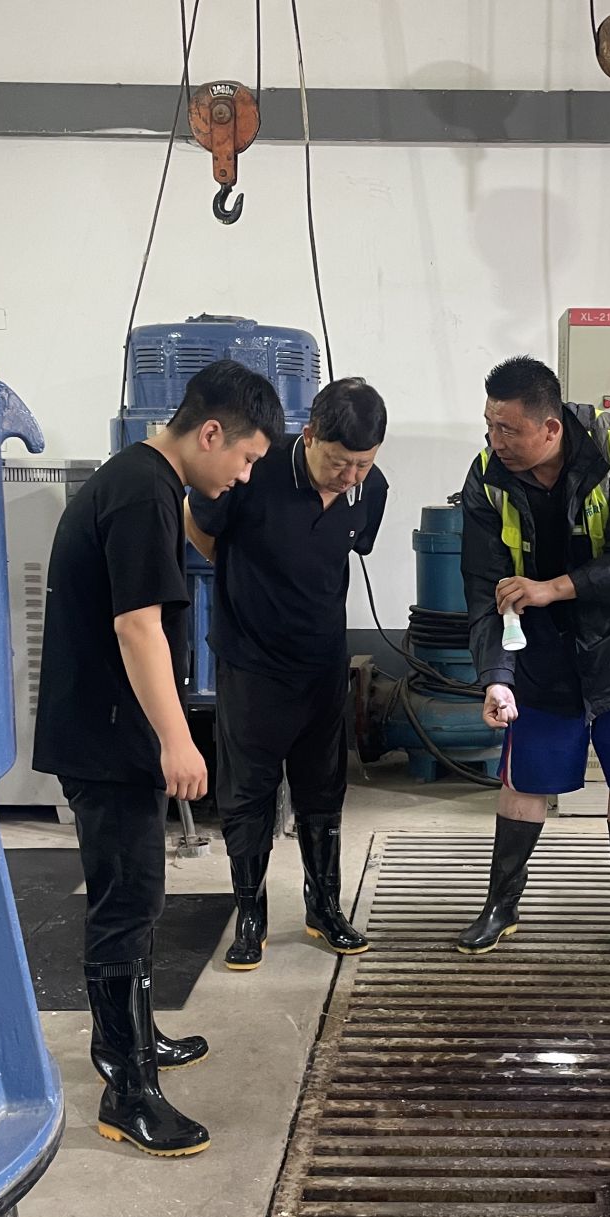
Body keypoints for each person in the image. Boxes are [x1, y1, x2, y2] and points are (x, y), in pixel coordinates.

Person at [33, 359, 286, 1157]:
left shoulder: (142, 480)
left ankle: (131, 1041)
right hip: (109, 739)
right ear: (210, 433)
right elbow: (137, 625)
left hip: (107, 730)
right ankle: (128, 1091)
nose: (245, 476)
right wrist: (178, 739)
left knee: (134, 899)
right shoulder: (144, 490)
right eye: (245, 457)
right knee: (129, 904)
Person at [456, 357, 610, 962]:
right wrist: (496, 678)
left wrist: (553, 588)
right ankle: (501, 907)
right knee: (523, 780)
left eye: (509, 430)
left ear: (550, 428)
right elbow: (484, 585)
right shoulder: (487, 477)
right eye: (490, 427)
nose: (496, 442)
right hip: (539, 652)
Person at [185, 378, 390, 972]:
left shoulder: (370, 486)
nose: (349, 476)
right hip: (252, 664)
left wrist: (359, 476)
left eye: (362, 464)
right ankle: (250, 917)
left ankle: (323, 907)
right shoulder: (255, 469)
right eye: (339, 462)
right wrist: (239, 573)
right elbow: (196, 517)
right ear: (310, 435)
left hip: (322, 663)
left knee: (323, 792)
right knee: (247, 795)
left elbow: (346, 547)